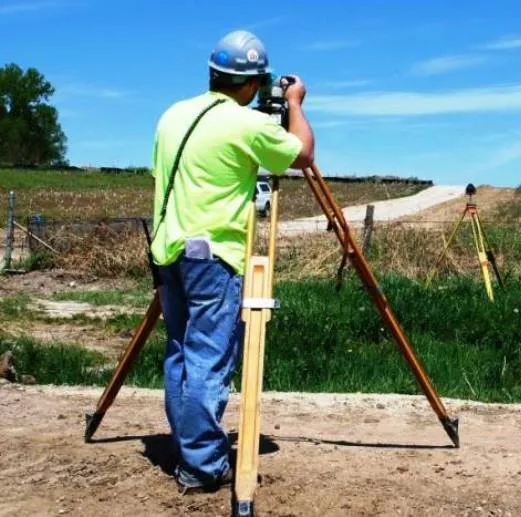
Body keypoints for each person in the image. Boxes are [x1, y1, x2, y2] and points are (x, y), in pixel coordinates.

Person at [149, 29, 314, 494]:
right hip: (214, 256)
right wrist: (295, 104)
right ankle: (202, 466)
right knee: (207, 358)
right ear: (252, 84)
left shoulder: (173, 116)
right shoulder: (247, 124)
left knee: (181, 353)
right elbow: (302, 153)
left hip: (168, 251)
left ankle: (188, 447)